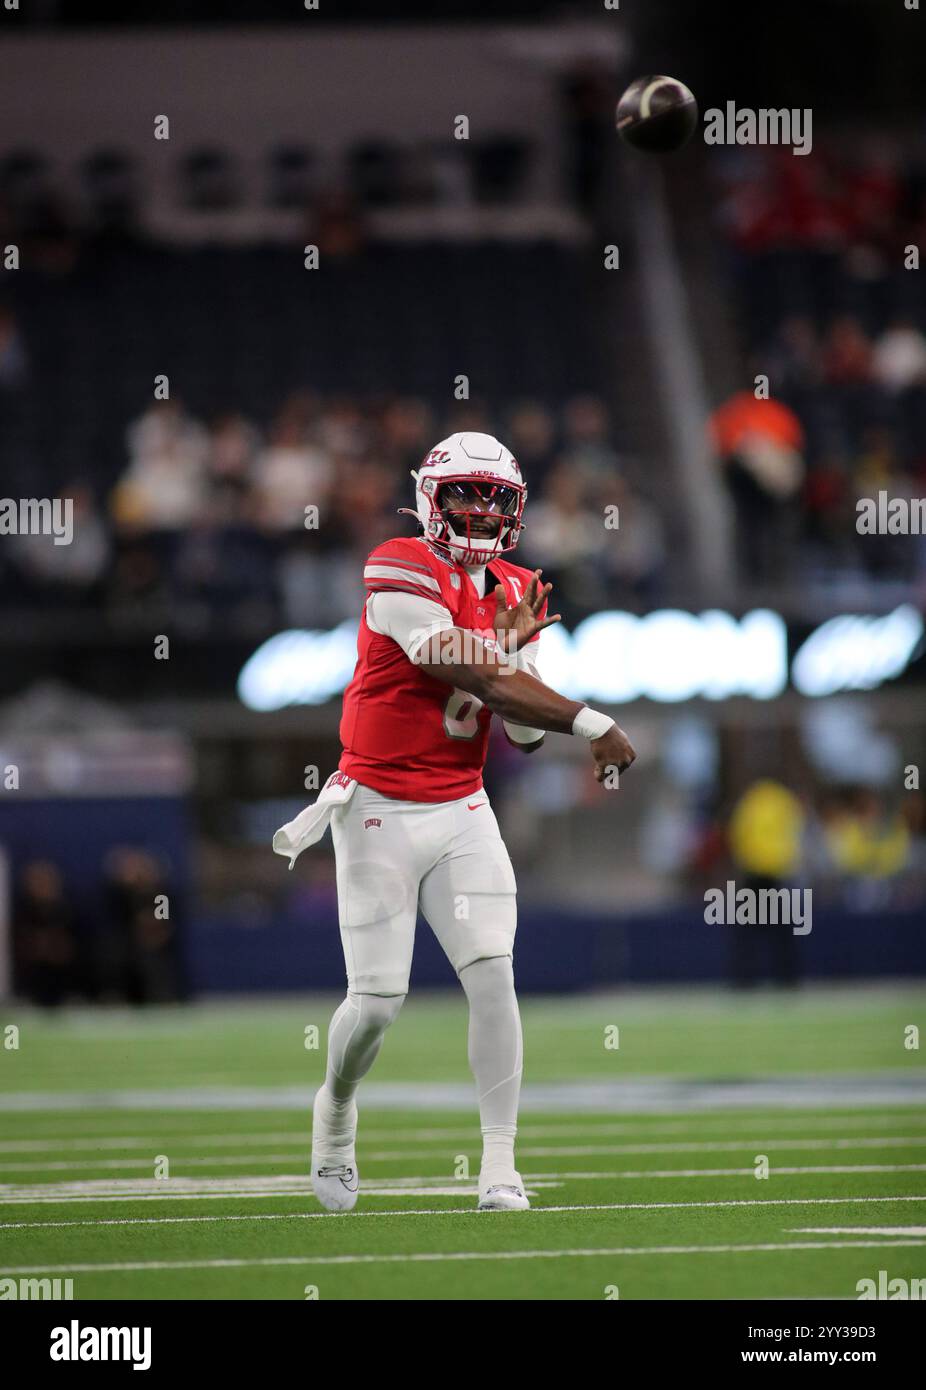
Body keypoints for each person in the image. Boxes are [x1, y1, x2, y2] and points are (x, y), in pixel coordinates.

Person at [281, 432, 635, 1214]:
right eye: (464, 495)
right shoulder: (399, 563)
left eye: (493, 498)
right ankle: (336, 1109)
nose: (478, 510)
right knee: (375, 1004)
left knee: (494, 977)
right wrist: (585, 717)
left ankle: (499, 1167)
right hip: (375, 805)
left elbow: (520, 732)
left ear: (515, 510)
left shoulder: (512, 584)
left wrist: (520, 658)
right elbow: (469, 671)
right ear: (429, 501)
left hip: (463, 806)